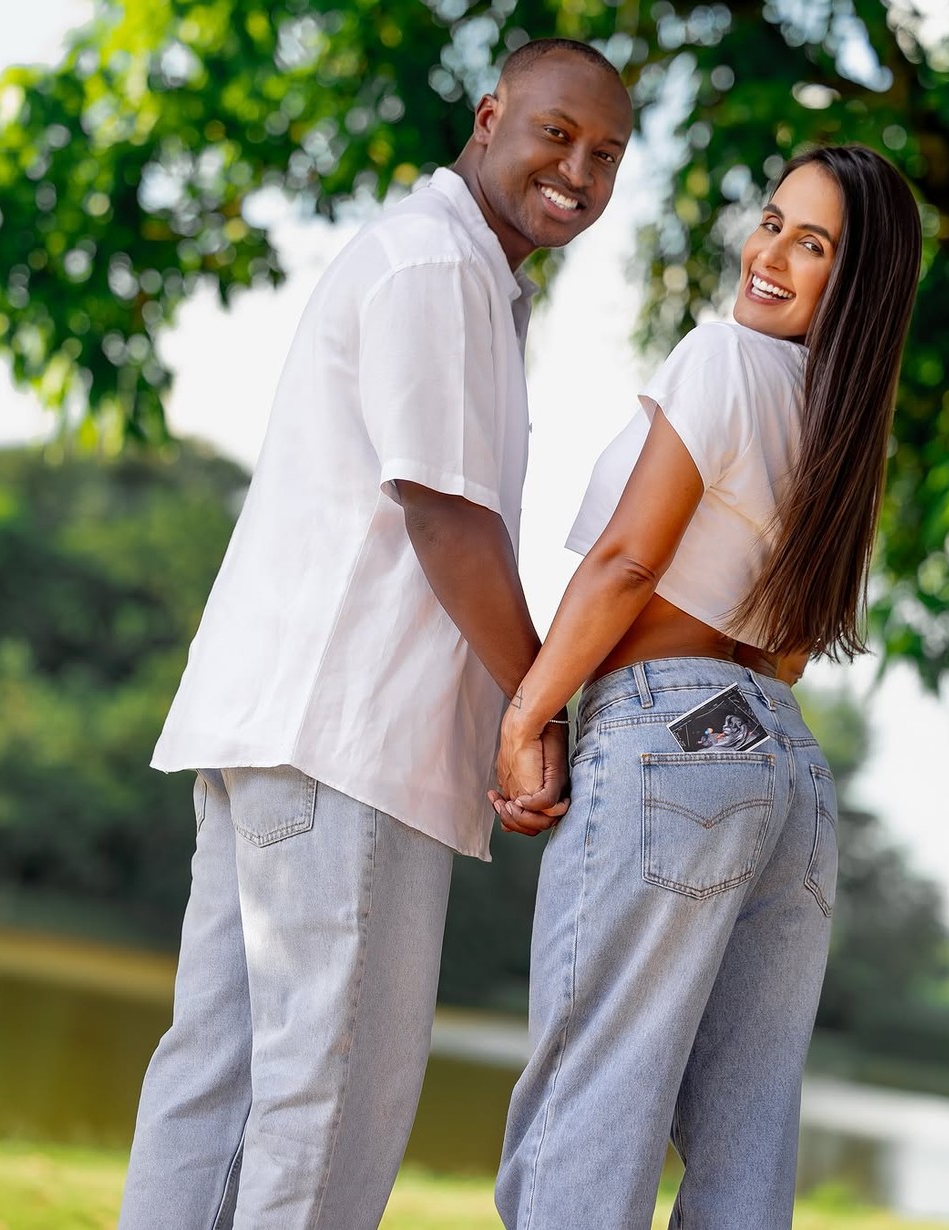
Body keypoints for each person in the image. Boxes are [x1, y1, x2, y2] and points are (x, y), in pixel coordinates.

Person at [117, 38, 633, 1230]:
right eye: (558, 133)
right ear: (493, 112)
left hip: (281, 740)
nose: (580, 172)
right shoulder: (433, 266)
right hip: (348, 750)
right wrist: (536, 709)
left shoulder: (457, 273)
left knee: (219, 1086)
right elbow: (447, 517)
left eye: (606, 156)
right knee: (328, 1114)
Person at [491, 144, 922, 1228]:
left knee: (589, 1111)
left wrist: (528, 712)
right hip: (788, 776)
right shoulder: (847, 433)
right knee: (745, 1141)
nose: (769, 254)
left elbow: (628, 562)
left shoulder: (724, 359)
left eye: (813, 244)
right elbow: (783, 654)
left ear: (855, 280)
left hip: (663, 736)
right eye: (772, 219)